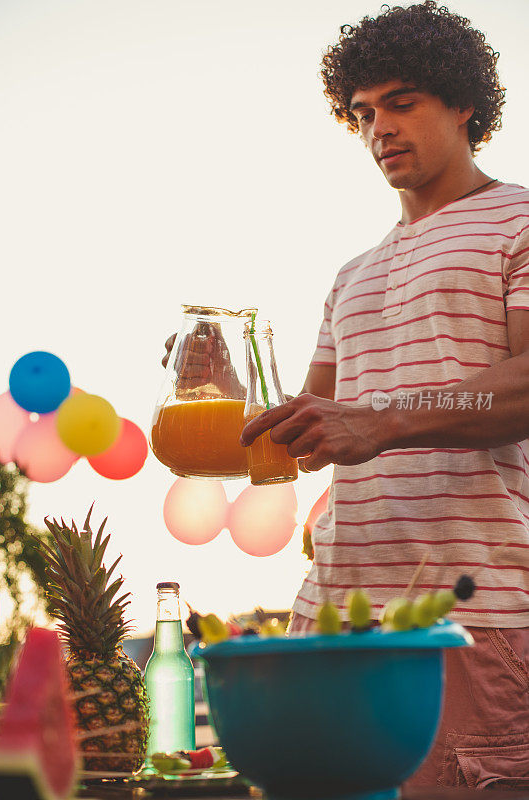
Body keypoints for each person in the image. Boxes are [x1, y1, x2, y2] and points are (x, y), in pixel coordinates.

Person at [165, 2, 529, 788]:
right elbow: (307, 434)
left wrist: (380, 421)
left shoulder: (520, 221)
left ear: (465, 102)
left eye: (401, 103)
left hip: (464, 617)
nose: (379, 129)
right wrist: (227, 391)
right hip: (328, 618)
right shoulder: (350, 274)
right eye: (363, 112)